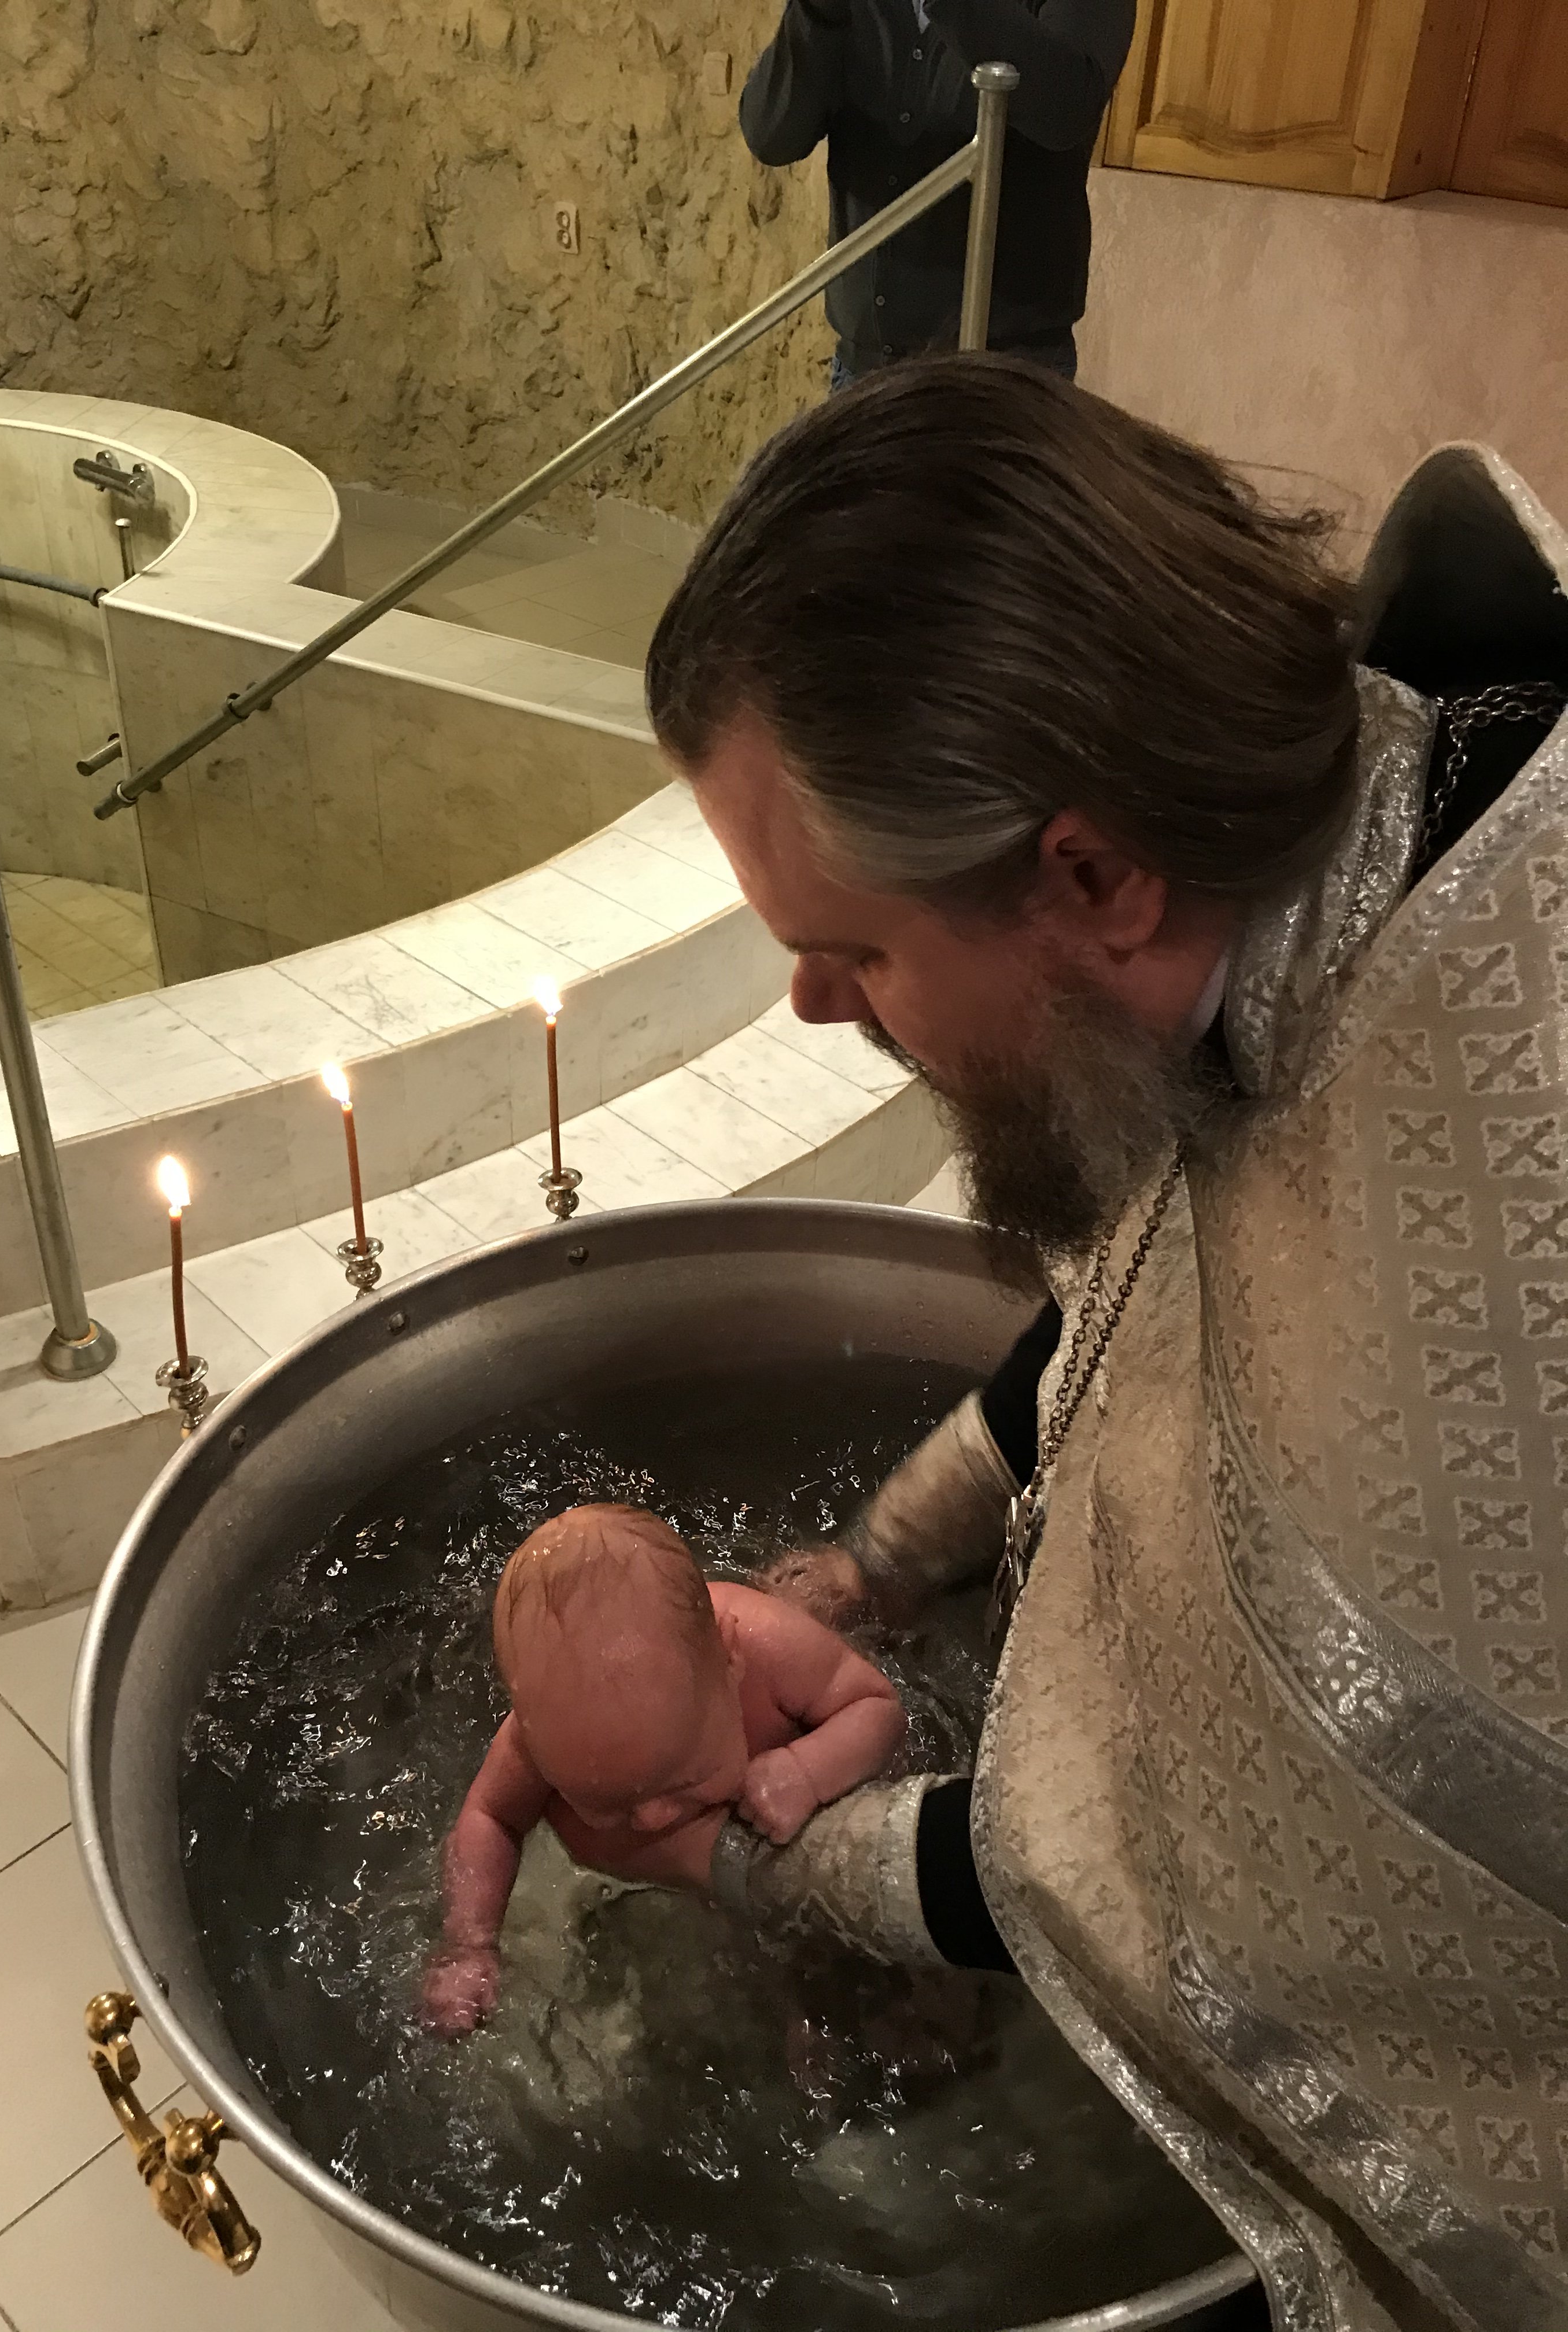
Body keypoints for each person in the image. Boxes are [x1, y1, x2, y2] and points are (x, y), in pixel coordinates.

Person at [635, 356, 1568, 2329]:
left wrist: (754, 1856)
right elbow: (1169, 1269)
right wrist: (883, 1557)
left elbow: (1200, 1890)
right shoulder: (1345, 833)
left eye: (854, 948)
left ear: (1091, 876)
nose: (812, 1006)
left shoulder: (1491, 1210)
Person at [419, 1503, 906, 2032]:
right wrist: (469, 1944)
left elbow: (876, 1705)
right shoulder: (544, 1731)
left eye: (685, 1780)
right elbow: (490, 1816)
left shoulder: (765, 1647)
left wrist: (807, 1770)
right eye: (606, 1802)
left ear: (730, 1663)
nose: (652, 1819)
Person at [739, 0, 1134, 387]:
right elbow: (773, 137)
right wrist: (816, 11)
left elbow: (1067, 109)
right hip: (864, 374)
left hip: (1006, 381)